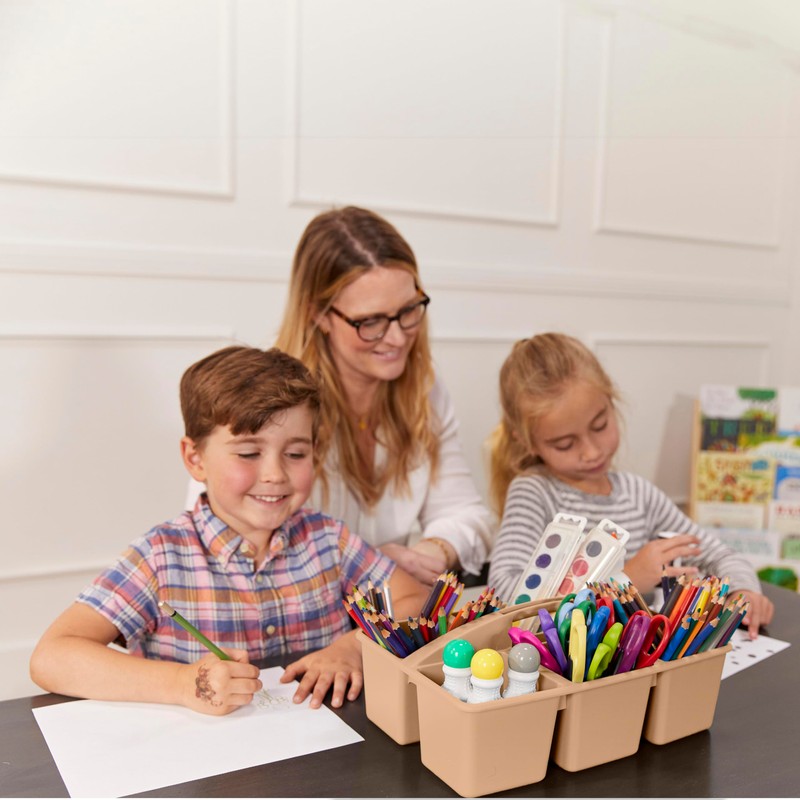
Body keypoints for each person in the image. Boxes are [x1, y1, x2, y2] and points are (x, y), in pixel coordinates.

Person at [30, 346, 428, 715]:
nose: (275, 474)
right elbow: (52, 657)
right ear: (195, 458)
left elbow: (416, 598)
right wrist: (183, 684)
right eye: (249, 453)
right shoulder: (161, 556)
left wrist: (354, 647)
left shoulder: (328, 540)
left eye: (295, 453)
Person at [486, 332, 774, 638]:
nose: (591, 452)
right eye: (564, 444)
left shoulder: (638, 494)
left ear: (611, 403)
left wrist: (743, 591)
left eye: (600, 426)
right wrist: (624, 580)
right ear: (526, 441)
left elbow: (718, 554)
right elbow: (505, 594)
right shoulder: (533, 492)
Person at [273, 205, 494, 585]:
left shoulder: (424, 390)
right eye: (371, 321)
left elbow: (468, 515)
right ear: (318, 314)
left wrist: (430, 552)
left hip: (392, 607)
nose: (396, 338)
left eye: (408, 310)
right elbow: (229, 541)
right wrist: (370, 564)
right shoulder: (266, 400)